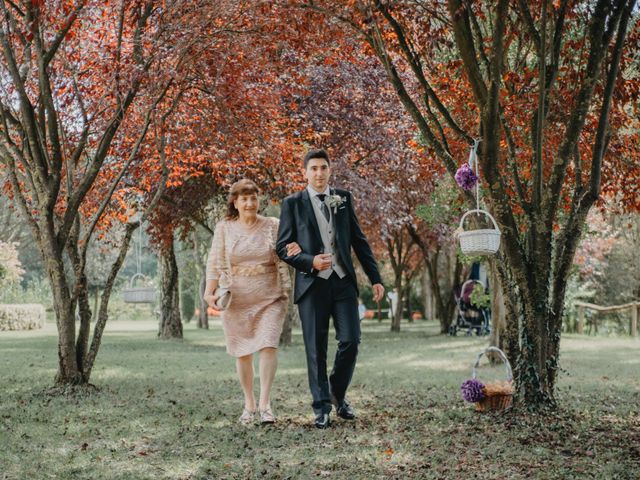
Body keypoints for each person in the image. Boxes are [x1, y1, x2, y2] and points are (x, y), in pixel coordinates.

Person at [276, 148, 384, 429]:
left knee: (351, 340)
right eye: (313, 168)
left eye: (323, 167)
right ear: (305, 173)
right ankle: (321, 407)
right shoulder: (292, 204)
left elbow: (359, 241)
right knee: (316, 349)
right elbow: (282, 248)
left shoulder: (343, 198)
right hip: (312, 285)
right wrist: (310, 260)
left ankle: (336, 392)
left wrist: (376, 278)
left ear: (330, 170)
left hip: (343, 281)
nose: (319, 173)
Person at [204, 179, 299, 426]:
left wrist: (299, 249)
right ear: (235, 203)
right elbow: (214, 262)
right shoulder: (224, 228)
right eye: (244, 198)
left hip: (271, 296)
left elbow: (288, 250)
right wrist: (209, 291)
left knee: (268, 345)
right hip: (236, 298)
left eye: (253, 198)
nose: (250, 203)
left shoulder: (273, 225)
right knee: (243, 352)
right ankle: (249, 404)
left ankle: (266, 404)